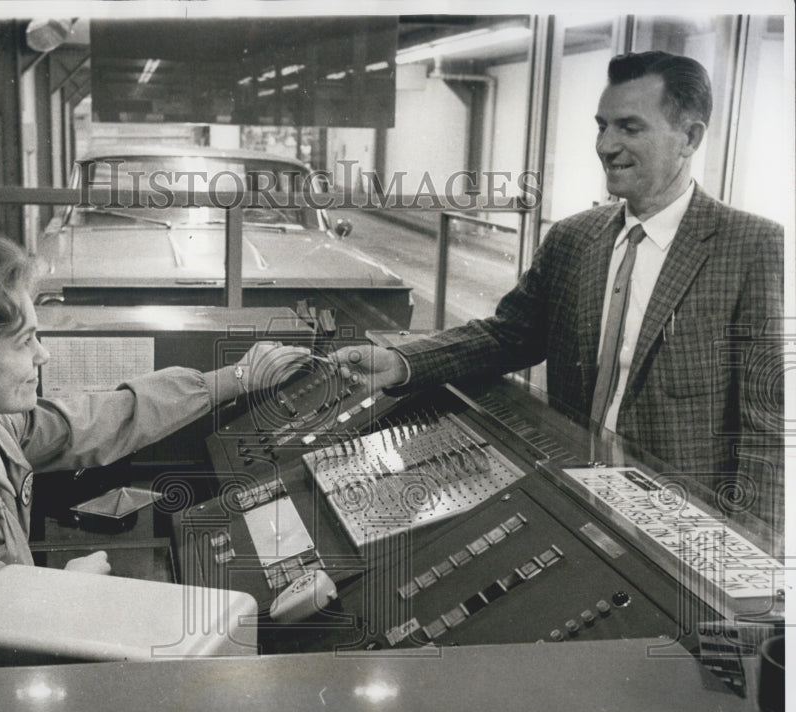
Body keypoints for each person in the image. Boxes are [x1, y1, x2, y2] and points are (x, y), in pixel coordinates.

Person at [332, 51, 783, 536]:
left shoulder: (752, 246)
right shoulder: (573, 238)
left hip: (681, 524)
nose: (606, 145)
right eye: (602, 126)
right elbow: (508, 337)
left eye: (630, 128)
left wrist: (756, 555)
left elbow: (769, 422)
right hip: (572, 497)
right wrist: (401, 363)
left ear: (689, 138)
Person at [0, 234, 309, 675]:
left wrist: (235, 379)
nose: (43, 354)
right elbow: (4, 644)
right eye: (24, 341)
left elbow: (96, 420)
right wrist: (72, 589)